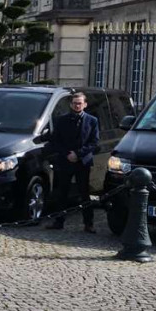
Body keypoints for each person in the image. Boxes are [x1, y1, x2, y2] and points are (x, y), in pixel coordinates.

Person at [47, 90, 100, 231]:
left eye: (80, 103)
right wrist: (67, 154)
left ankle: (89, 224)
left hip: (83, 161)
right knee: (62, 192)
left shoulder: (92, 121)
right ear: (71, 105)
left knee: (84, 193)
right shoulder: (61, 120)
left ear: (85, 104)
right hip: (65, 160)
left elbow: (94, 142)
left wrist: (78, 154)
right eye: (75, 104)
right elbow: (55, 141)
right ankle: (59, 222)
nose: (77, 106)